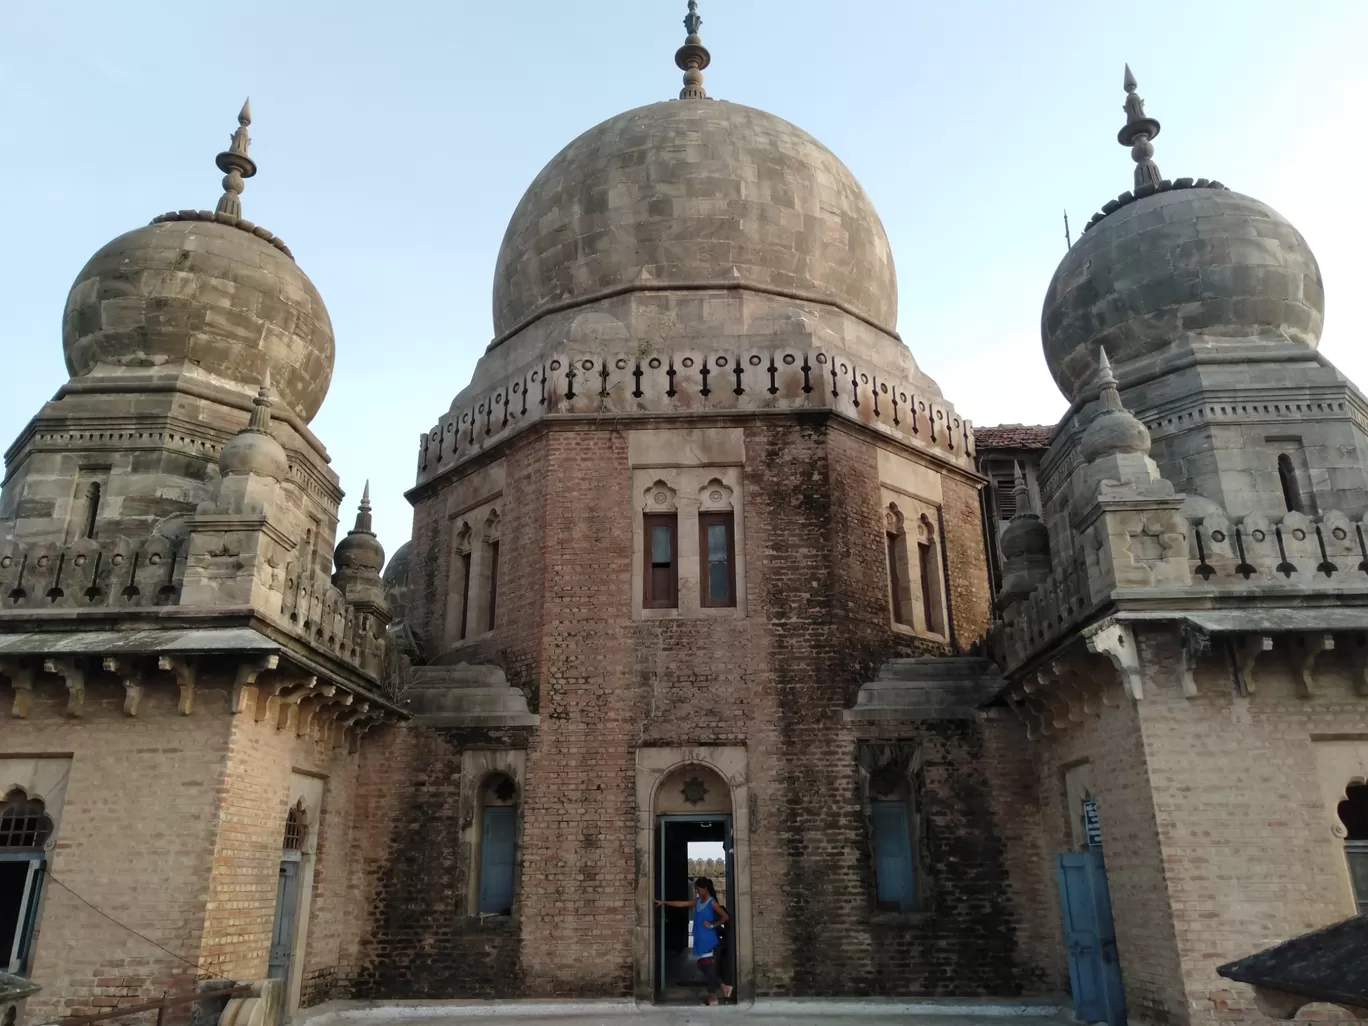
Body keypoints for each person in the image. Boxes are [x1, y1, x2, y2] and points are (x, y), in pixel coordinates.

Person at [656, 877, 733, 1005]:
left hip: (707, 937)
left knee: (705, 965)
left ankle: (715, 994)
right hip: (700, 936)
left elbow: (725, 917)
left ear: (706, 889)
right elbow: (682, 903)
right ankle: (719, 990)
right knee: (705, 966)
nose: (697, 891)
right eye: (696, 889)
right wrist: (664, 902)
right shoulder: (697, 901)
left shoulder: (712, 903)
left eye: (699, 889)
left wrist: (713, 925)